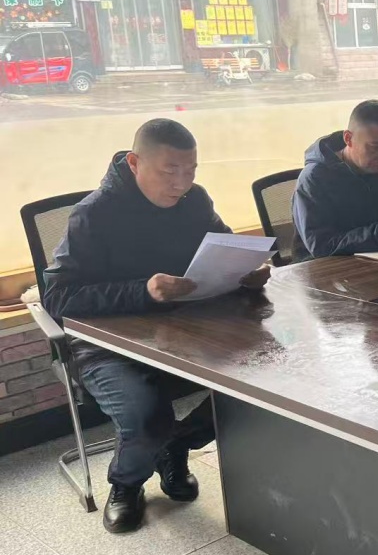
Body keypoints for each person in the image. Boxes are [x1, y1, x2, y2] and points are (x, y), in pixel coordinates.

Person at [40, 119, 270, 534]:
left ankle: (175, 446)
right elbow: (58, 298)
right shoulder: (94, 214)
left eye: (191, 169)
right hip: (107, 345)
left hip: (183, 330)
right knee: (146, 416)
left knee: (262, 379)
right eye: (170, 170)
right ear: (134, 163)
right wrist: (142, 290)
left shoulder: (195, 200)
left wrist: (245, 272)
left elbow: (225, 245)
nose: (182, 182)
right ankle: (126, 484)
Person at [292, 99, 378, 260]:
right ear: (348, 138)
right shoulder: (314, 178)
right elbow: (321, 246)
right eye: (374, 147)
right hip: (325, 270)